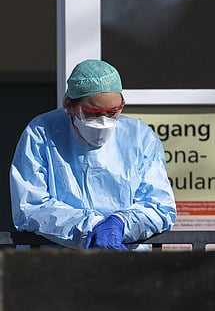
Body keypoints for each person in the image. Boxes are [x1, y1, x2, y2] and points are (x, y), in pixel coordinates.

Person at [10, 59, 176, 251]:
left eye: (112, 112)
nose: (103, 122)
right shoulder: (42, 133)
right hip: (56, 262)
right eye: (92, 113)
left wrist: (121, 222)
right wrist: (90, 227)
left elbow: (160, 207)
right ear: (69, 105)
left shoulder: (139, 138)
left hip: (122, 259)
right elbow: (31, 206)